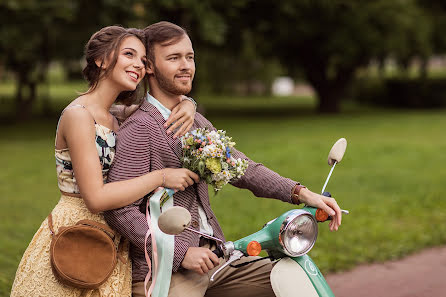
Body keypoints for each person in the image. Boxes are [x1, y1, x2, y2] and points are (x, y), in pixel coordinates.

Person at [104, 21, 342, 297]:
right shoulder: (140, 129)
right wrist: (182, 253)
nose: (186, 66)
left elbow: (242, 169)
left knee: (294, 279)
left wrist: (301, 193)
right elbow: (119, 210)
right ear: (150, 67)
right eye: (174, 58)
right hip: (167, 270)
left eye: (189, 57)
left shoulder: (195, 120)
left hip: (218, 259)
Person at [10, 25, 199, 297]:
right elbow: (96, 199)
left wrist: (188, 102)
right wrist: (161, 177)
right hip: (76, 233)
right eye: (129, 54)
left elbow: (158, 108)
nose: (139, 65)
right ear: (101, 60)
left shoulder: (117, 116)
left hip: (114, 237)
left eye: (143, 60)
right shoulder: (78, 116)